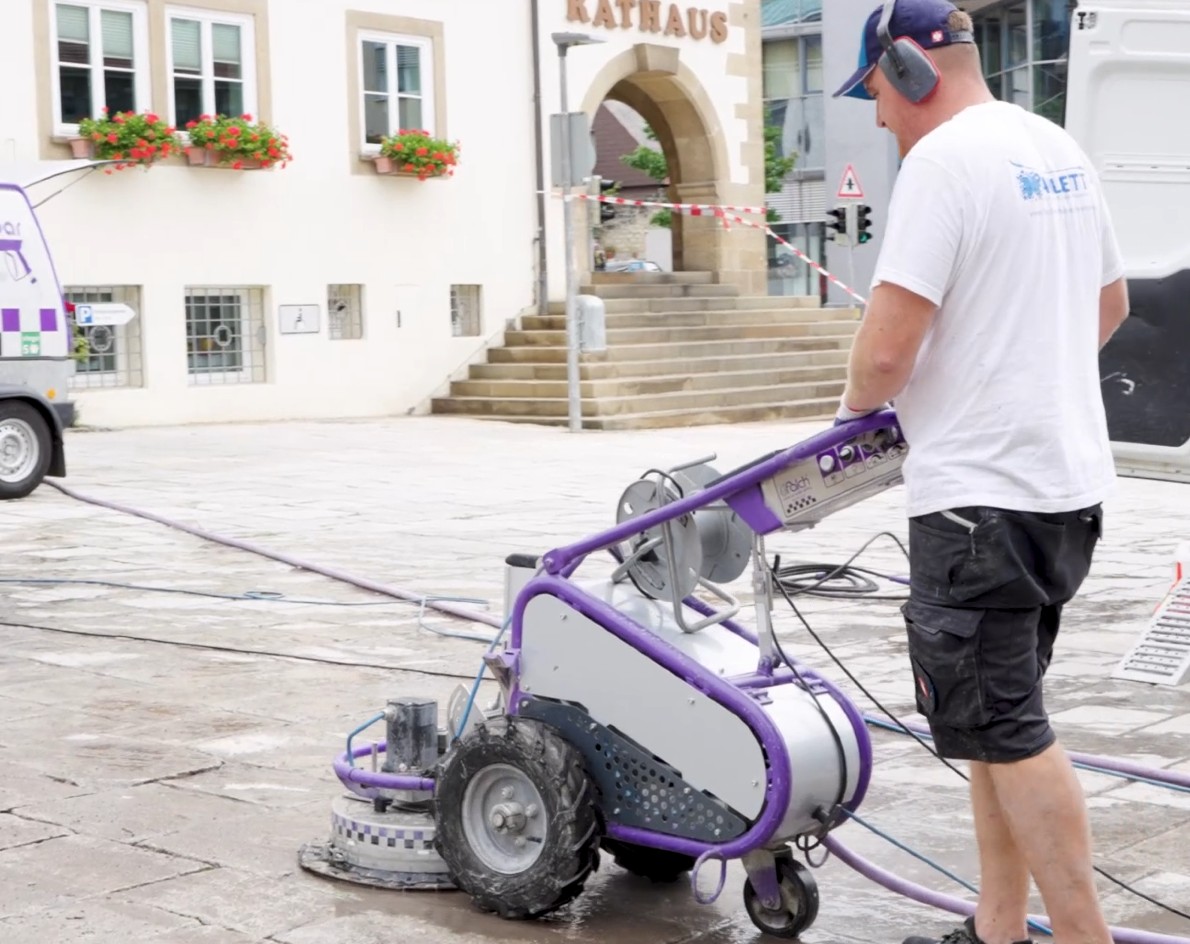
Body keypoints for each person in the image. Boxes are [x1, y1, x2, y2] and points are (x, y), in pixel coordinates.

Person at [830, 3, 1131, 944]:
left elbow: (883, 359)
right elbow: (1111, 306)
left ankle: (1084, 937)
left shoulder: (942, 162)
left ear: (912, 70)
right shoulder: (1056, 147)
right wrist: (1025, 378)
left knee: (1007, 730)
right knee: (996, 727)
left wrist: (850, 422)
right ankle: (995, 928)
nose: (878, 116)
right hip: (1063, 493)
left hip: (977, 508)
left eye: (876, 90)